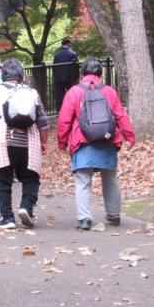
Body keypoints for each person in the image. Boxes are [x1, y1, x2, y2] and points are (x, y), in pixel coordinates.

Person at [57, 58, 136, 231]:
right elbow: (120, 115)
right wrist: (129, 136)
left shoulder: (74, 92)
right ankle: (114, 215)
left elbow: (64, 119)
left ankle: (84, 218)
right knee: (110, 178)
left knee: (83, 180)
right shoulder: (109, 91)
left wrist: (62, 142)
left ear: (82, 73)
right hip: (107, 140)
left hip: (83, 141)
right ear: (100, 74)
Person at [0, 58, 49, 230]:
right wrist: (43, 142)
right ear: (21, 75)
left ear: (3, 75)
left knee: (3, 179)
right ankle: (26, 207)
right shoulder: (32, 92)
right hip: (28, 141)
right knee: (31, 177)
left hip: (2, 141)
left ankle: (7, 218)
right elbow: (43, 121)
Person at [53, 37, 79, 110]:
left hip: (59, 78)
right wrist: (76, 78)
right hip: (70, 78)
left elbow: (54, 67)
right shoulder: (73, 54)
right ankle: (72, 108)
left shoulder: (57, 55)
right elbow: (76, 67)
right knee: (72, 93)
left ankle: (60, 110)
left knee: (60, 95)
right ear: (69, 44)